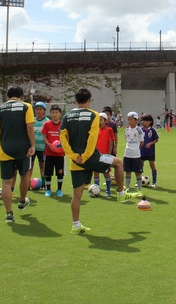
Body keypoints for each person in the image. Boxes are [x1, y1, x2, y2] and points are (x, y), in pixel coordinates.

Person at [60, 88, 138, 234]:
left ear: (75, 100)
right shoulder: (93, 115)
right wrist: (85, 155)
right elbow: (92, 137)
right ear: (89, 100)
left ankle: (75, 225)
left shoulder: (67, 116)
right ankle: (121, 194)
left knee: (76, 194)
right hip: (91, 157)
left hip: (75, 160)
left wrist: (73, 155)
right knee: (118, 162)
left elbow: (62, 138)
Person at [0, 86, 36, 223]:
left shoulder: (0, 108)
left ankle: (9, 214)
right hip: (23, 148)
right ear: (21, 95)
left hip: (6, 148)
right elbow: (29, 126)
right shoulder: (26, 106)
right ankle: (22, 201)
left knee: (6, 182)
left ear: (7, 96)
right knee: (24, 175)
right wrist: (33, 145)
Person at [41, 104, 65, 197]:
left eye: (56, 112)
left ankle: (59, 189)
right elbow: (44, 137)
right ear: (50, 114)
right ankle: (48, 190)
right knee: (48, 172)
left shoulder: (63, 124)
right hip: (49, 152)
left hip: (60, 153)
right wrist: (49, 145)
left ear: (60, 114)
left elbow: (66, 137)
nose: (54, 114)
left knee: (60, 172)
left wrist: (62, 146)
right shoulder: (47, 124)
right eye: (52, 112)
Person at [92, 111, 116, 197]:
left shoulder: (109, 130)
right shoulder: (96, 130)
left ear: (106, 121)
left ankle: (108, 191)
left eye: (101, 120)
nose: (99, 122)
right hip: (96, 155)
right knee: (96, 172)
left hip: (105, 155)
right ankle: (96, 190)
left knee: (106, 173)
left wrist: (109, 154)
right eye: (98, 120)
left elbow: (111, 142)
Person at [124, 111, 145, 193]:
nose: (129, 121)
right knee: (127, 171)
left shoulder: (139, 130)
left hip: (136, 155)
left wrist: (135, 148)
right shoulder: (126, 130)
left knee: (138, 172)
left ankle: (139, 190)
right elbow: (126, 139)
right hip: (127, 153)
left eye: (131, 119)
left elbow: (142, 142)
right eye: (128, 119)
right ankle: (127, 188)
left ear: (136, 120)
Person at [31, 102, 49, 187]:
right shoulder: (32, 121)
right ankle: (27, 183)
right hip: (33, 147)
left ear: (44, 111)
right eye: (37, 109)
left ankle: (43, 184)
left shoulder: (47, 122)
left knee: (42, 165)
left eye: (40, 109)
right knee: (30, 166)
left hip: (42, 148)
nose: (38, 111)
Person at [140, 114, 159, 188]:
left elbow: (156, 139)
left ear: (150, 122)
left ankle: (154, 182)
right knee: (140, 166)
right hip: (142, 151)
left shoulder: (152, 130)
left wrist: (150, 143)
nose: (144, 122)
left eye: (146, 121)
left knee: (152, 165)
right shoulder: (141, 130)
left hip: (150, 151)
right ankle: (139, 181)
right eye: (143, 121)